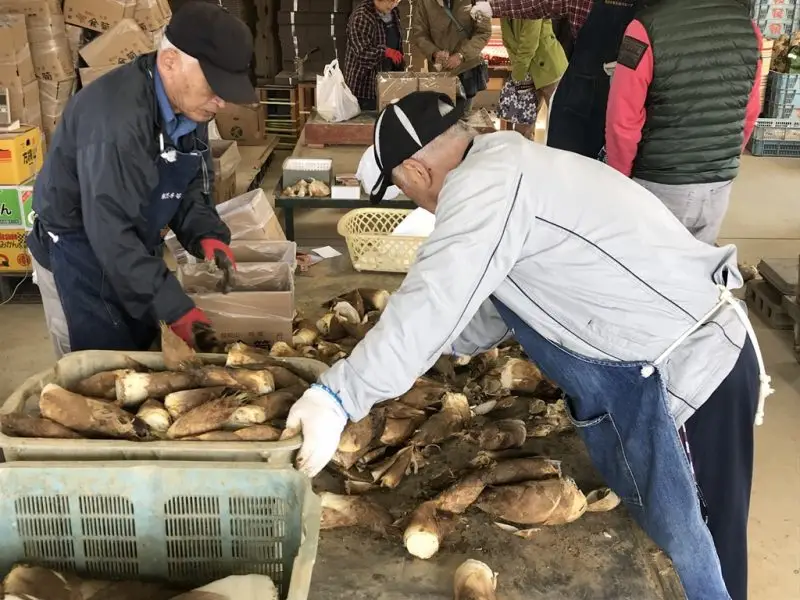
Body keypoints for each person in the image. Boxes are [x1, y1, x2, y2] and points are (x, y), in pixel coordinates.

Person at [282, 92, 773, 600]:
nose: (412, 200)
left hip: (689, 373)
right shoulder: (506, 164)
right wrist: (409, 348)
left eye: (402, 189)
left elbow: (435, 296)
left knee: (698, 551)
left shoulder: (485, 187)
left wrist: (340, 395)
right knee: (681, 543)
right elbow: (487, 302)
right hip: (661, 365)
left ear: (415, 170)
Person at [27, 1, 256, 357]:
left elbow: (189, 179)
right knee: (101, 372)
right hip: (79, 253)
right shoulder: (115, 123)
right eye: (214, 87)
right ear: (169, 62)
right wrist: (177, 309)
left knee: (142, 350)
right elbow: (110, 232)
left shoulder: (187, 106)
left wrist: (206, 233)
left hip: (129, 244)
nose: (221, 103)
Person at [605, 0, 762, 246]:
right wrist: (722, 159)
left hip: (660, 182)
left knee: (648, 274)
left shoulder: (644, 28)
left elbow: (622, 120)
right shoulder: (748, 28)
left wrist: (620, 179)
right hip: (718, 185)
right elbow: (749, 110)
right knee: (696, 272)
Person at [471, 0, 638, 159]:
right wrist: (492, 7)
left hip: (626, 97)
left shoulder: (651, 8)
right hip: (580, 92)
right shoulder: (581, 3)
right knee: (563, 157)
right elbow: (540, 4)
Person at [411, 0, 492, 112]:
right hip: (440, 72)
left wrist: (462, 55)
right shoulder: (424, 2)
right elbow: (419, 33)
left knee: (465, 118)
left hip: (467, 68)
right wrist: (434, 53)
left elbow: (483, 32)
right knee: (441, 120)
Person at [500, 18, 567, 138]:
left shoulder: (531, 5)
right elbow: (507, 41)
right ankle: (522, 155)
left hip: (548, 70)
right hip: (525, 70)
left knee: (559, 124)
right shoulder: (504, 9)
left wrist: (518, 75)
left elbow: (529, 44)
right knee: (522, 130)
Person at [344, 0, 405, 111]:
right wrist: (385, 51)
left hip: (387, 83)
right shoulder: (362, 16)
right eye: (392, 0)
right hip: (365, 90)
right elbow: (362, 54)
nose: (395, 4)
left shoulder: (394, 11)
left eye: (397, 1)